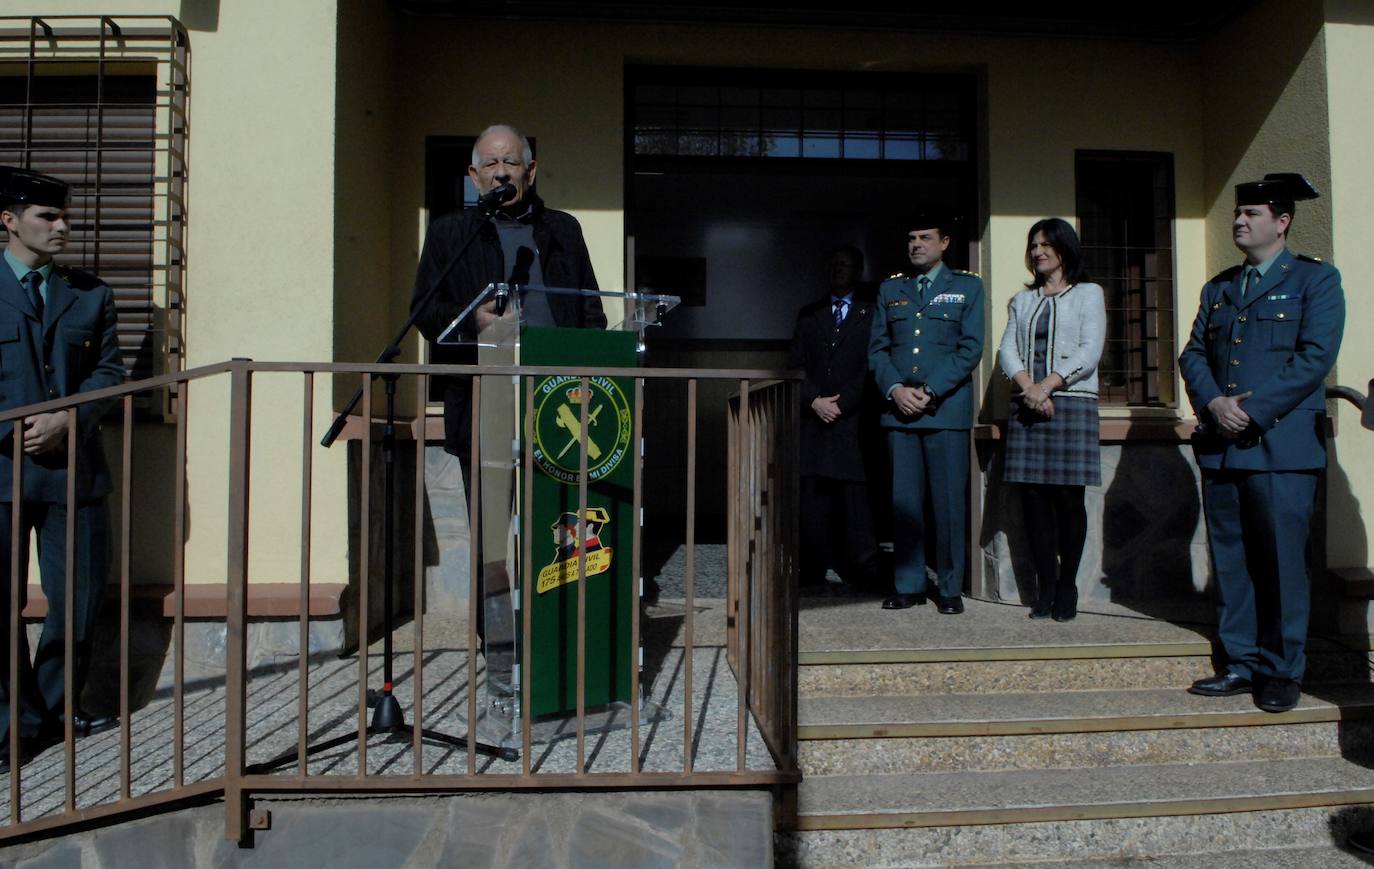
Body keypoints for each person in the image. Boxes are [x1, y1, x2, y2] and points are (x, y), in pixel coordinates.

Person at [1179, 173, 1344, 714]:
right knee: (1233, 560)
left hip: (1280, 446)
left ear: (1282, 221)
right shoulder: (1221, 287)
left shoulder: (1315, 281)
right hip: (1223, 445)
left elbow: (1314, 357)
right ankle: (1242, 662)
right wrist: (1214, 404)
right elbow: (1193, 355)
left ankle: (1281, 669)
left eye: (1252, 214)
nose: (1239, 221)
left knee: (1279, 562)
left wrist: (1249, 409)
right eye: (1237, 213)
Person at [0, 167, 124, 772]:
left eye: (62, 216)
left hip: (73, 474)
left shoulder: (91, 294)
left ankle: (47, 717)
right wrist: (17, 427)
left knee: (76, 603)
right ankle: (11, 725)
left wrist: (68, 421)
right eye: (48, 217)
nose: (62, 227)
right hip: (1, 472)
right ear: (9, 221)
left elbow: (109, 372)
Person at [409, 123, 607, 483]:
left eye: (510, 162)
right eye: (490, 164)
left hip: (557, 401)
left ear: (529, 172)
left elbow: (591, 311)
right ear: (474, 175)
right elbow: (424, 311)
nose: (500, 172)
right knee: (490, 535)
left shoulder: (564, 230)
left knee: (553, 530)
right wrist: (471, 319)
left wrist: (588, 376)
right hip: (483, 404)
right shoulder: (450, 233)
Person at [869, 214, 984, 614]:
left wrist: (930, 388)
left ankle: (949, 588)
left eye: (925, 237)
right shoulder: (890, 289)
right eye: (911, 237)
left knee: (948, 504)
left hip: (946, 411)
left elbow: (970, 348)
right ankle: (909, 583)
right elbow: (878, 349)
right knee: (904, 502)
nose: (917, 244)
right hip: (899, 412)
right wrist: (895, 389)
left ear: (945, 242)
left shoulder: (967, 286)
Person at [997, 218, 1105, 622]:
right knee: (1034, 501)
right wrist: (1029, 387)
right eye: (1034, 245)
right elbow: (1008, 350)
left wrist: (1048, 386)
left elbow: (1089, 349)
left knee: (1066, 499)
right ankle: (1045, 585)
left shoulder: (1088, 294)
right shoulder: (1022, 301)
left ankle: (1067, 587)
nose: (1038, 251)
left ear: (1065, 249)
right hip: (1027, 404)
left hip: (1070, 404)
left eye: (1046, 244)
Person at [789, 245, 880, 593]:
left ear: (858, 270)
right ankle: (811, 569)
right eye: (835, 263)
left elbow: (871, 366)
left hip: (852, 422)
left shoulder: (870, 313)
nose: (839, 269)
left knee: (854, 501)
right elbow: (795, 363)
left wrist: (842, 404)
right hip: (813, 420)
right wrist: (814, 400)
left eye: (846, 264)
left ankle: (863, 567)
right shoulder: (809, 314)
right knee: (813, 500)